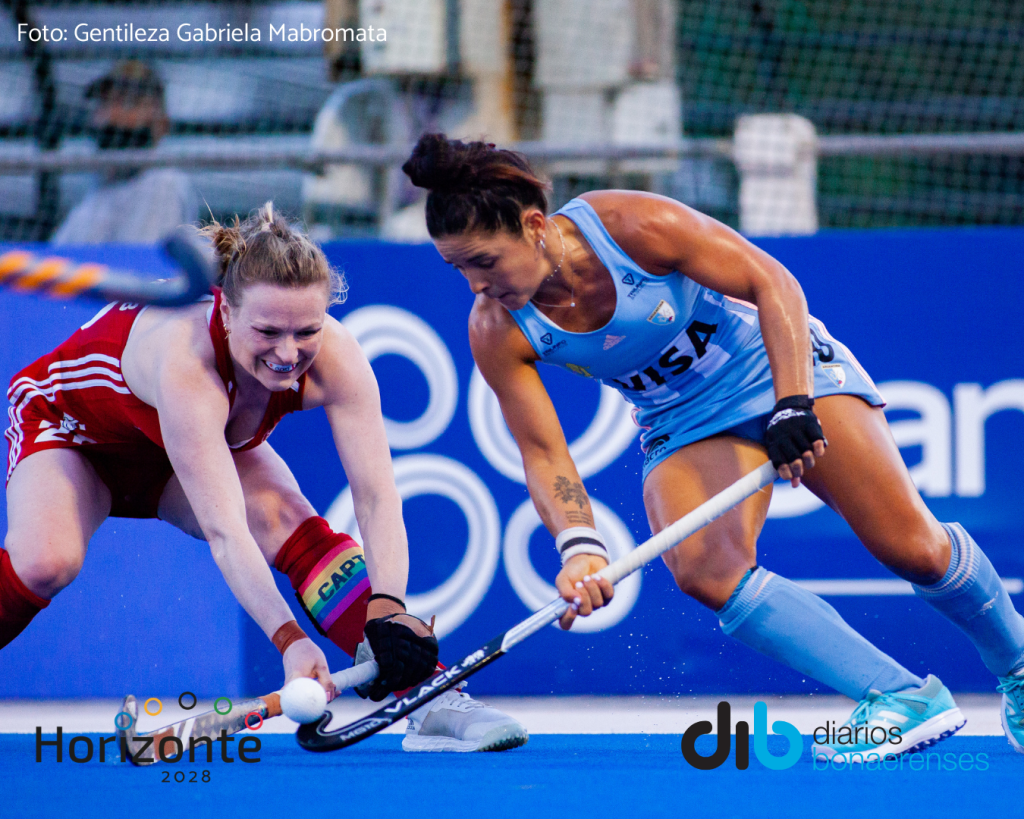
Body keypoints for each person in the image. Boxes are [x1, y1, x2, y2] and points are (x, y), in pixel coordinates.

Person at [401, 133, 1024, 760]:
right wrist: (580, 548)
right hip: (684, 419)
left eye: (484, 261)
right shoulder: (496, 327)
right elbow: (543, 452)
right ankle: (899, 698)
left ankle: (1019, 669)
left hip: (776, 367)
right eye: (459, 269)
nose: (475, 284)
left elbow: (771, 282)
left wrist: (793, 403)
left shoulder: (628, 226)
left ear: (535, 226)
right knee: (703, 570)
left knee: (913, 548)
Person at [2, 203, 526, 753]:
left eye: (307, 331)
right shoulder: (187, 362)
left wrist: (388, 611)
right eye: (268, 331)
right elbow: (227, 532)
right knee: (46, 562)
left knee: (286, 518)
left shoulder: (337, 357)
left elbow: (376, 497)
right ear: (227, 311)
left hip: (183, 446)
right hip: (73, 435)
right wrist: (290, 640)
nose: (288, 353)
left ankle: (432, 698)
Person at [52, 61, 199, 246]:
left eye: (128, 103)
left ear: (161, 123)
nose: (112, 115)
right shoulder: (97, 190)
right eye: (105, 102)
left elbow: (139, 260)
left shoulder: (163, 184)